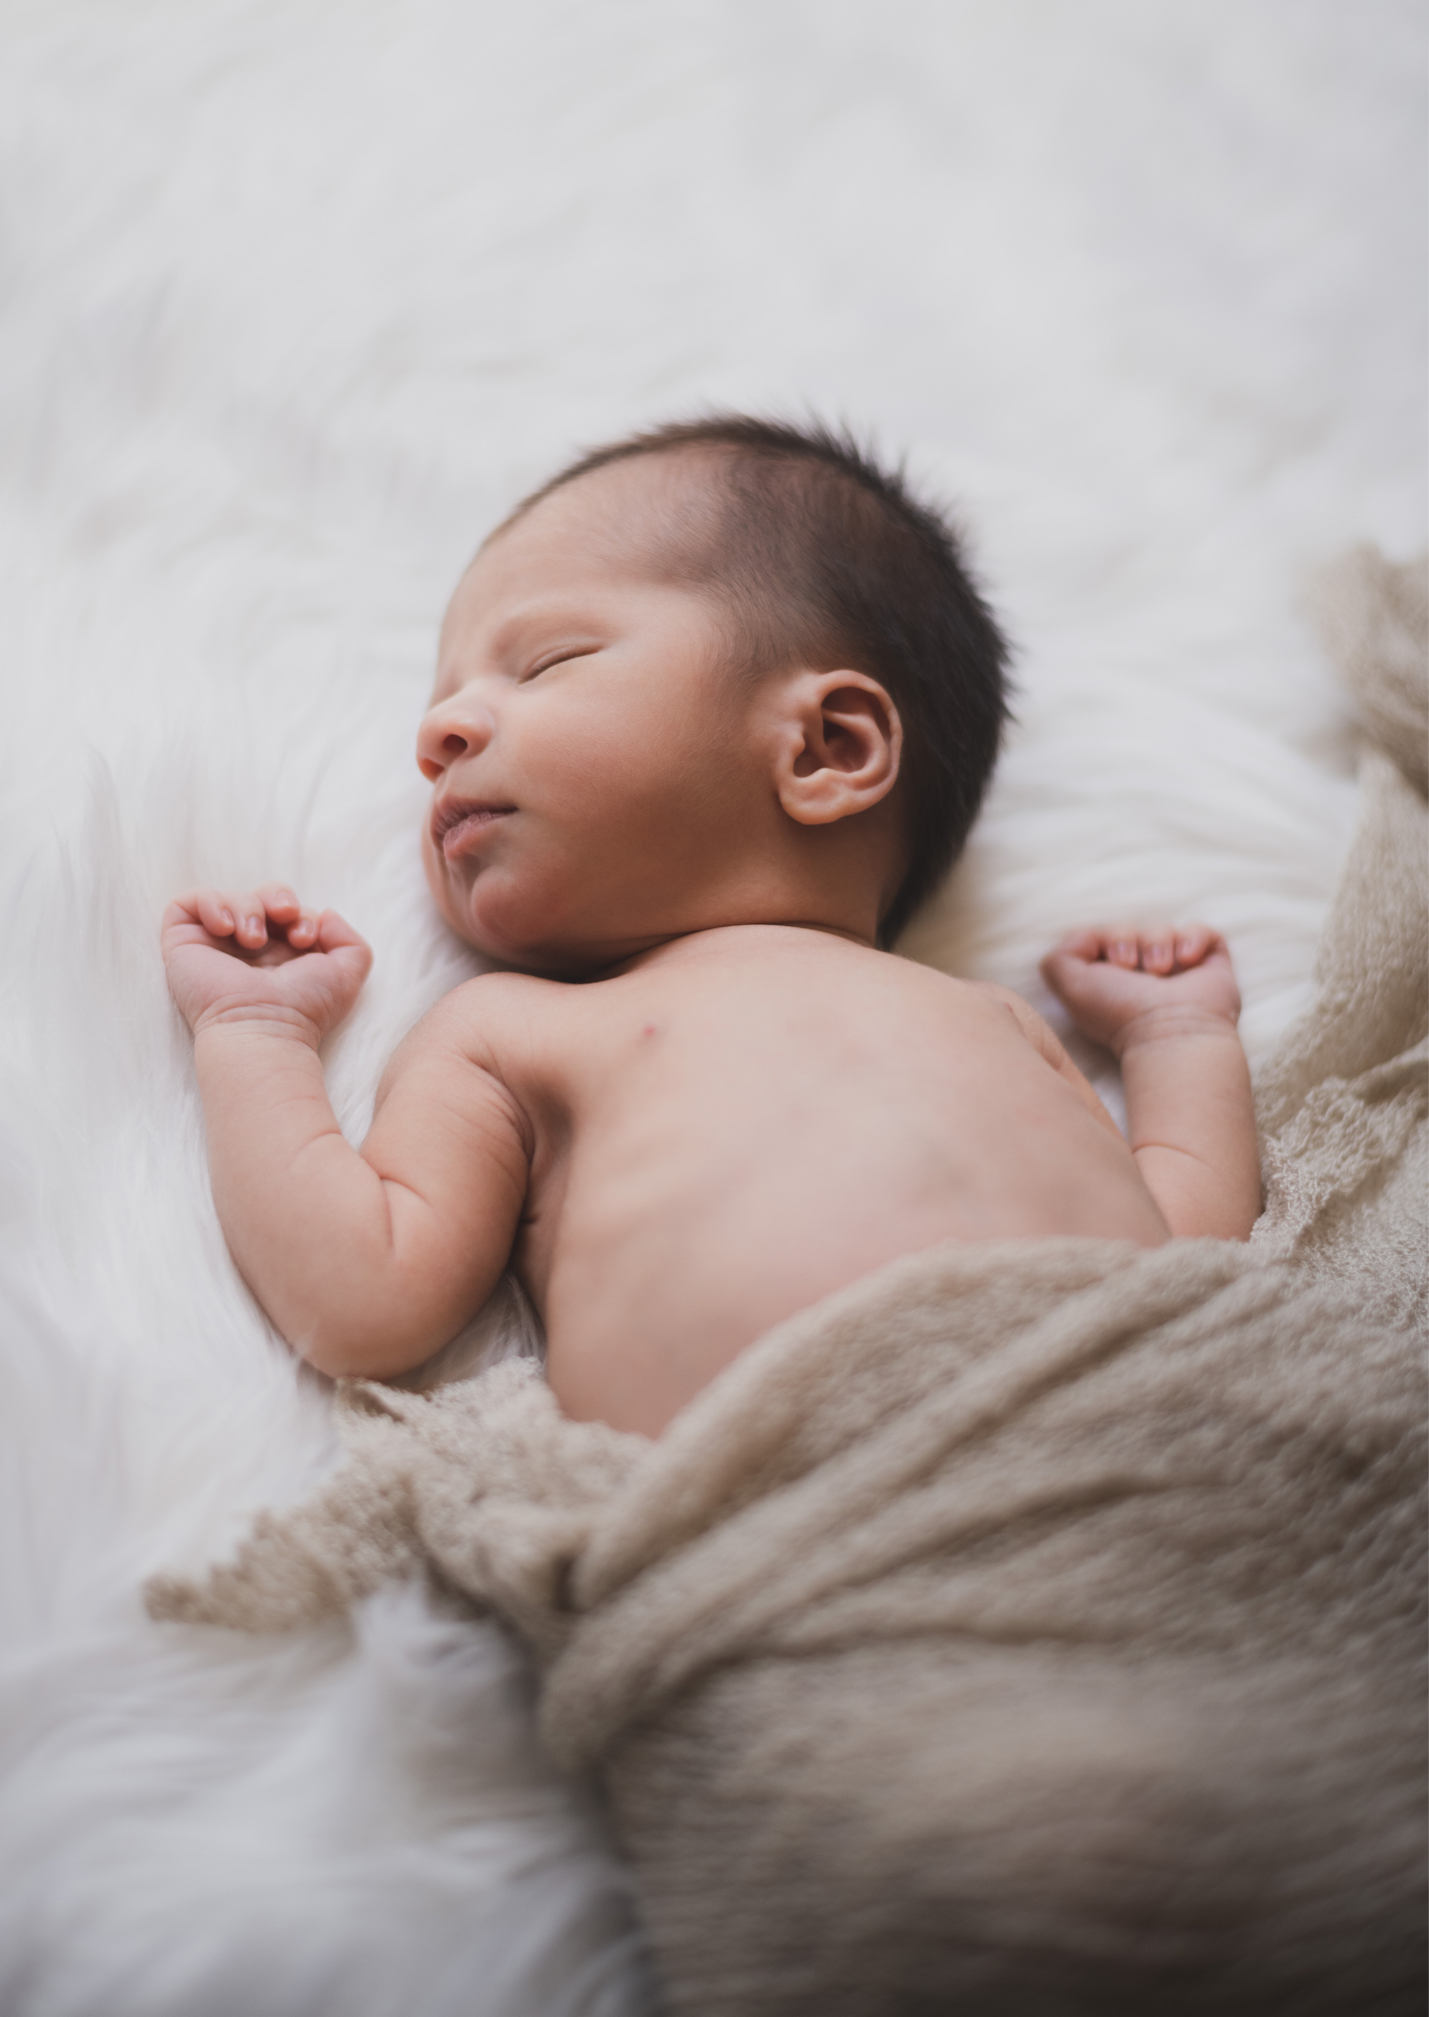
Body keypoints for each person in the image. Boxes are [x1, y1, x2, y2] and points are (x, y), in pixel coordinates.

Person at [161, 418, 1261, 1440]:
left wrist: (1178, 1041)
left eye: (545, 663)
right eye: (439, 705)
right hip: (806, 1518)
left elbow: (1190, 1261)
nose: (437, 734)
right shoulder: (507, 1033)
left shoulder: (991, 1016)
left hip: (1140, 1442)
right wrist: (256, 1035)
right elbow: (364, 1298)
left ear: (825, 749)